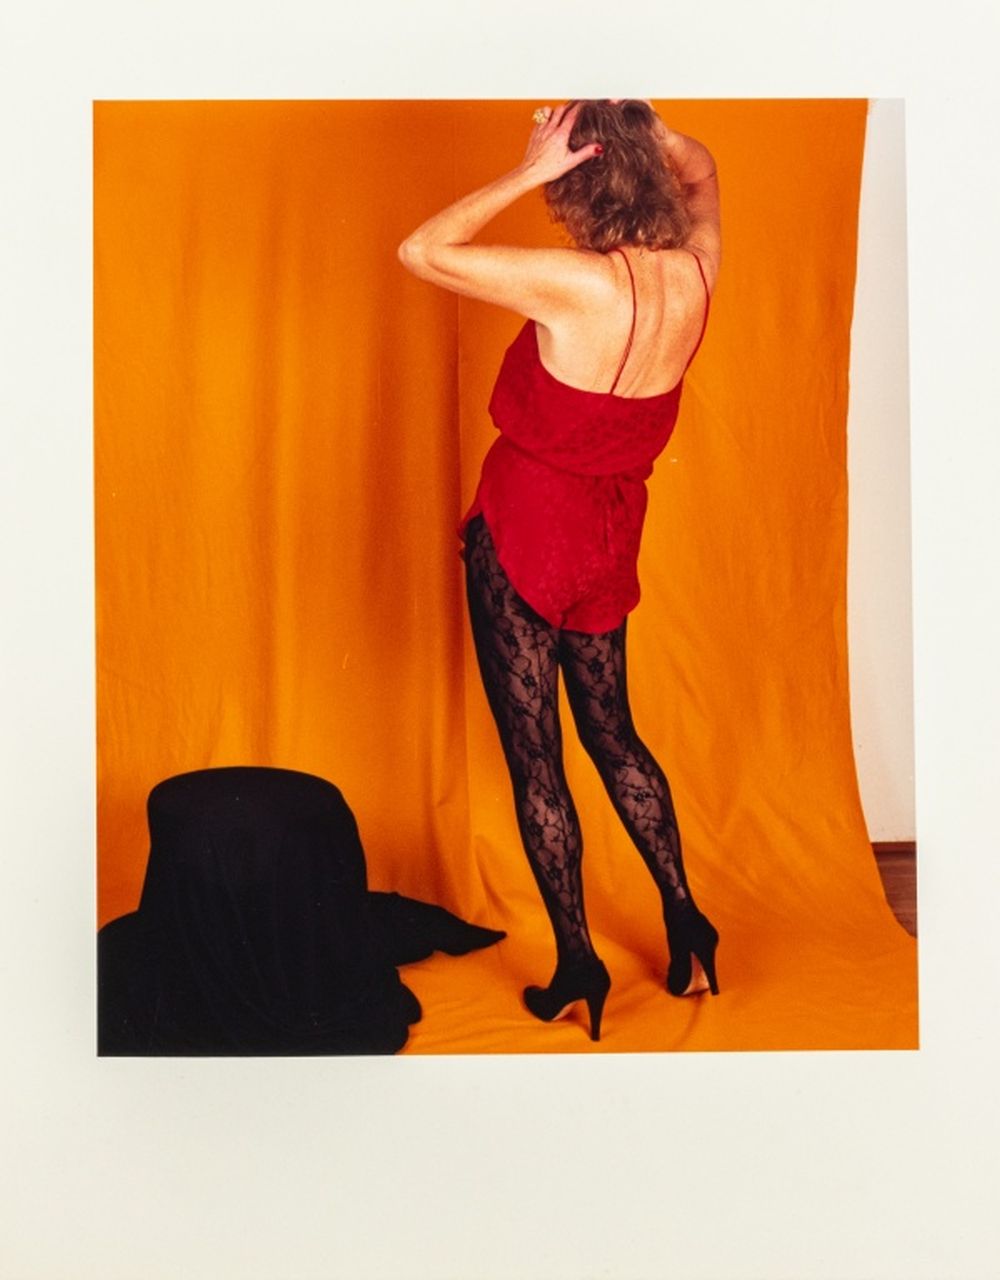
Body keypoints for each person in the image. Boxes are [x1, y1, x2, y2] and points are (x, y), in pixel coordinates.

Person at [398, 99, 721, 1042]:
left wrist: (534, 168)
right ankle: (689, 924)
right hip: (610, 534)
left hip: (527, 530)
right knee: (614, 735)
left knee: (537, 760)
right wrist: (639, 130)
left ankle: (578, 963)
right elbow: (705, 173)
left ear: (578, 186)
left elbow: (422, 250)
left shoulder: (576, 285)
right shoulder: (697, 272)